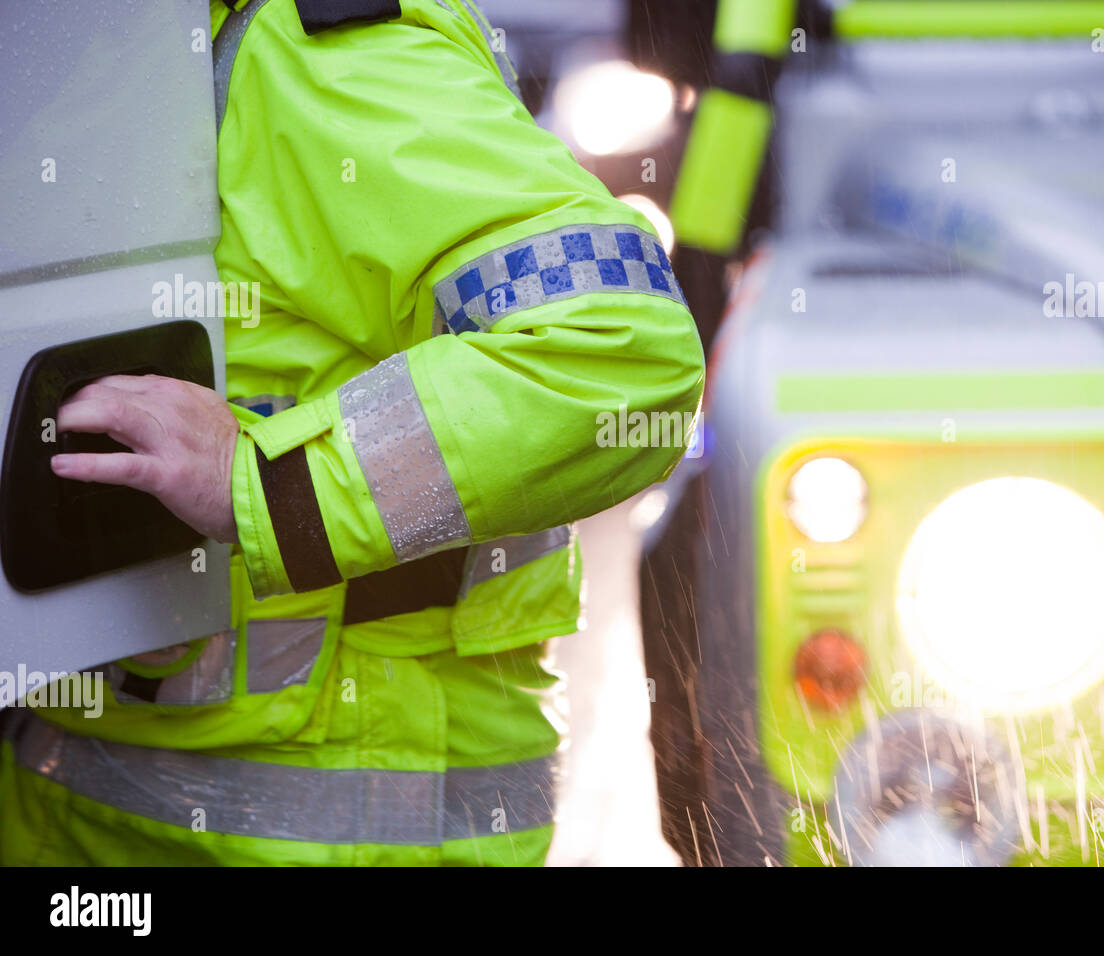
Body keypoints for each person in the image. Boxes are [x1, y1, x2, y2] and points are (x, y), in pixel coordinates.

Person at [0, 0, 704, 866]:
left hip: (348, 815)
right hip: (88, 815)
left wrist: (256, 484)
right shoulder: (90, 46)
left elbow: (617, 357)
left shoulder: (320, 58)